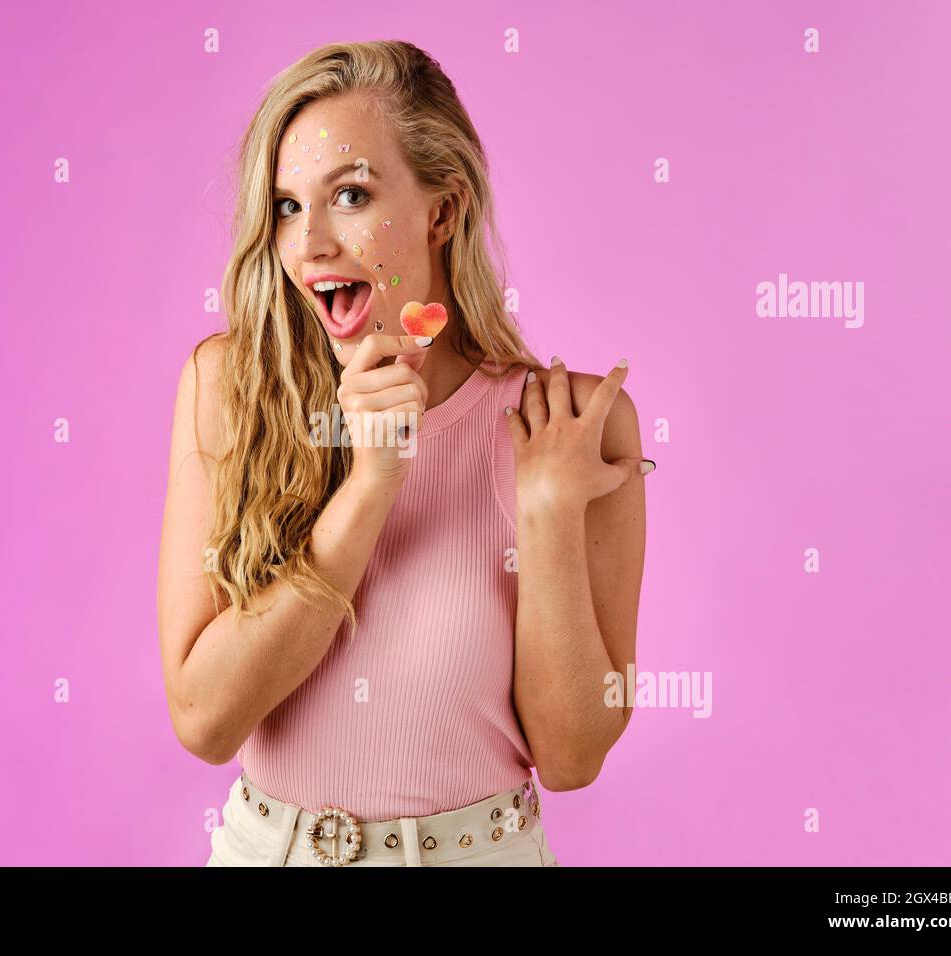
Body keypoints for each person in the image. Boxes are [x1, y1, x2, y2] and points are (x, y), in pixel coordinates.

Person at [157, 40, 652, 866]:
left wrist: (547, 514)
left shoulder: (568, 425)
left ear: (443, 211)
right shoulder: (230, 389)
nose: (309, 242)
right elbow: (204, 722)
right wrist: (372, 482)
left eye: (349, 195)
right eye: (286, 206)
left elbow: (571, 758)